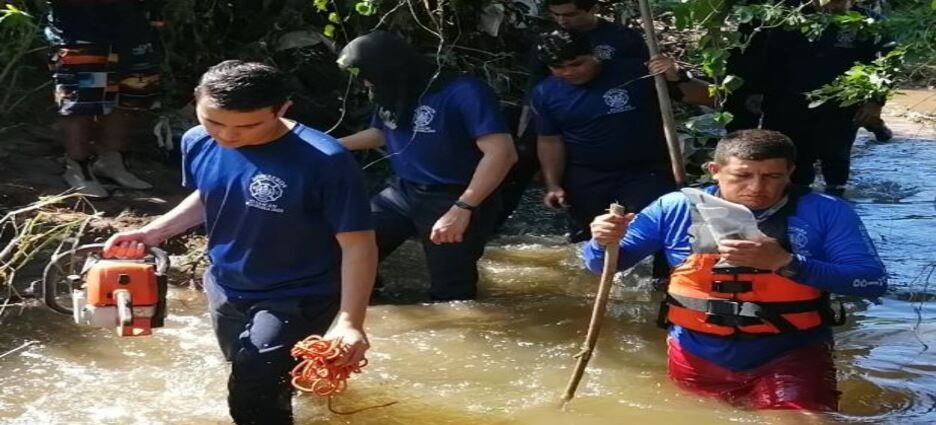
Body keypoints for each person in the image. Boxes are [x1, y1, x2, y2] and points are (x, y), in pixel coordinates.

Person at [103, 61, 377, 425]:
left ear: (282, 109)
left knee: (251, 385)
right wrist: (155, 232)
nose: (228, 136)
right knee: (249, 367)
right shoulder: (197, 140)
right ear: (197, 101)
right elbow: (213, 193)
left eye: (248, 125)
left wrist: (350, 322)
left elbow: (359, 244)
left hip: (300, 292)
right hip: (226, 285)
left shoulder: (325, 161)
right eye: (214, 121)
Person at [584, 129, 887, 411]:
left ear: (790, 173)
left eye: (772, 176)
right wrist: (602, 241)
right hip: (694, 356)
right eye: (743, 176)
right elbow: (602, 265)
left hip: (791, 355)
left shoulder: (826, 210)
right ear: (714, 171)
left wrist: (787, 263)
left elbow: (872, 281)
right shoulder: (673, 207)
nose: (757, 188)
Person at [337, 32, 517, 301]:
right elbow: (382, 133)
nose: (365, 84)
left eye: (369, 76)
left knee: (452, 296)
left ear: (390, 68)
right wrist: (328, 145)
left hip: (455, 196)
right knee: (346, 249)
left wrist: (463, 207)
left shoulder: (464, 92)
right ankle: (368, 304)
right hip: (402, 192)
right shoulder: (392, 90)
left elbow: (502, 153)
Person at [530, 28, 711, 243]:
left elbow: (707, 97)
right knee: (589, 242)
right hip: (586, 176)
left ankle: (661, 277)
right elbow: (550, 141)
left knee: (658, 235)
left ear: (594, 55)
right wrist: (553, 184)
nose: (569, 72)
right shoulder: (545, 92)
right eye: (558, 67)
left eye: (577, 64)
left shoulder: (636, 72)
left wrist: (676, 77)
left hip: (646, 172)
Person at [755, 0, 893, 196]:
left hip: (842, 104)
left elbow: (886, 64)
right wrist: (756, 94)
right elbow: (765, 59)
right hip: (787, 102)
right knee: (794, 163)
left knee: (836, 161)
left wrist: (875, 102)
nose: (833, 4)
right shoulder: (785, 18)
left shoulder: (869, 22)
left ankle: (836, 208)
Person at [44, 0, 164, 197]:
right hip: (79, 30)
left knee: (129, 97)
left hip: (133, 29)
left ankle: (111, 162)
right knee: (81, 101)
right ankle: (77, 168)